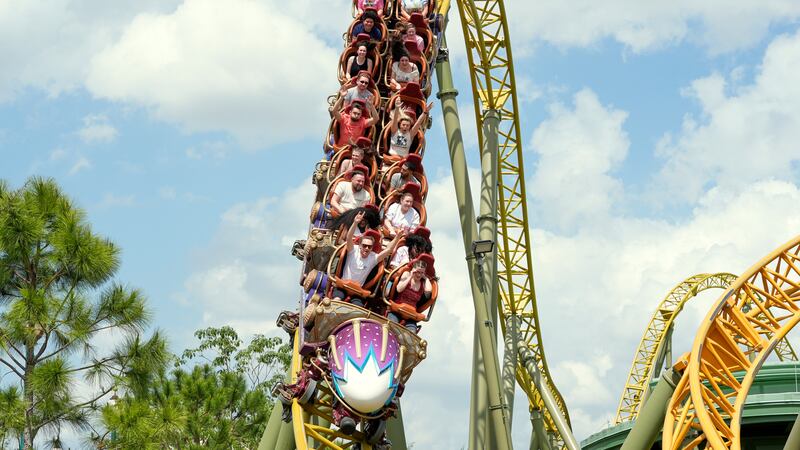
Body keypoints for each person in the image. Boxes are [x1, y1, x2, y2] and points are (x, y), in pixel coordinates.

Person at [332, 211, 404, 306]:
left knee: (357, 308)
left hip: (357, 291)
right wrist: (355, 223)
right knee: (337, 300)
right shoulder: (353, 250)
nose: (366, 248)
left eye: (369, 247)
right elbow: (349, 237)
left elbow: (388, 250)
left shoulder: (373, 257)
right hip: (343, 286)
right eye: (364, 245)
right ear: (360, 245)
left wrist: (398, 237)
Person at [388, 253, 434, 333]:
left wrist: (426, 278)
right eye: (417, 272)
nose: (419, 275)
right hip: (397, 310)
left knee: (410, 334)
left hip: (411, 315)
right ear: (413, 270)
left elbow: (429, 291)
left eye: (421, 273)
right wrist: (410, 276)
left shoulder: (423, 282)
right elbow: (399, 289)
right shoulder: (406, 274)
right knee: (391, 327)